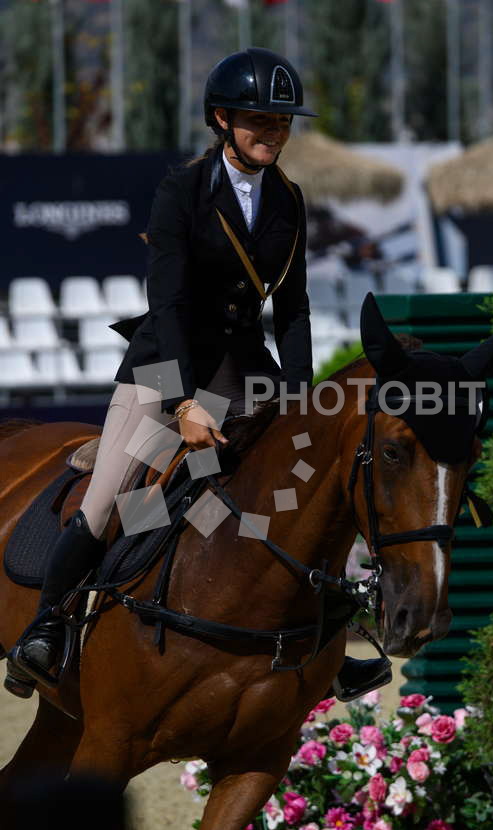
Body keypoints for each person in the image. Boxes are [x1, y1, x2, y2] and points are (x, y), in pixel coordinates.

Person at [5, 47, 390, 703]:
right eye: (258, 120)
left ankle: (325, 643)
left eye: (281, 121)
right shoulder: (181, 193)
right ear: (222, 120)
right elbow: (170, 305)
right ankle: (46, 631)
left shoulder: (289, 200)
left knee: (298, 484)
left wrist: (301, 400)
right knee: (110, 501)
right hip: (165, 364)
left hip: (243, 370)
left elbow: (293, 310)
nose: (272, 132)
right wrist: (182, 403)